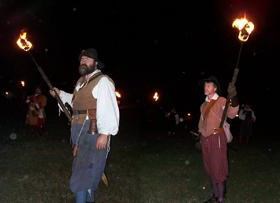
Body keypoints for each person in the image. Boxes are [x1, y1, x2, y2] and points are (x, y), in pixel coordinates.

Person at [50, 48, 119, 203]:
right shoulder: (81, 83)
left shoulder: (103, 81)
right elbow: (76, 103)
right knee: (84, 172)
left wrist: (105, 134)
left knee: (84, 174)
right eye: (81, 59)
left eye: (87, 59)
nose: (83, 61)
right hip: (79, 132)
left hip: (93, 133)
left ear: (95, 63)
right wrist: (60, 94)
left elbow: (109, 107)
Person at [198, 76, 239, 203]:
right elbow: (201, 123)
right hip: (205, 140)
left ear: (215, 88)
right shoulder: (203, 105)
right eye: (205, 86)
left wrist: (233, 95)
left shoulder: (221, 100)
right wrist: (201, 136)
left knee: (218, 169)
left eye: (209, 85)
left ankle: (221, 199)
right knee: (209, 168)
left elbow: (232, 112)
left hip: (217, 139)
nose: (206, 87)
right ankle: (215, 196)